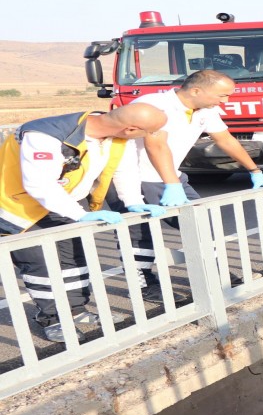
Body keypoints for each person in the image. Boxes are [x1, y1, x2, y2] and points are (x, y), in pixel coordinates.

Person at [0, 104, 168, 342]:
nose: (153, 137)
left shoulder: (117, 138)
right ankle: (51, 318)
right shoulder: (44, 135)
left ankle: (76, 310)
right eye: (151, 131)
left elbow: (124, 171)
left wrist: (133, 201)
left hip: (64, 203)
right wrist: (78, 214)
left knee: (73, 259)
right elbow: (39, 184)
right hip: (19, 207)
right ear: (130, 128)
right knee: (40, 265)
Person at [106, 70, 263, 303]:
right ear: (196, 91)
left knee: (200, 223)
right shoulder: (154, 106)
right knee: (139, 234)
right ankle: (144, 284)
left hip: (170, 175)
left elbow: (225, 139)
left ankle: (212, 272)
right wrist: (171, 186)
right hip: (134, 177)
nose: (226, 101)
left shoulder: (206, 109)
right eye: (222, 95)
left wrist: (255, 171)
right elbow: (157, 146)